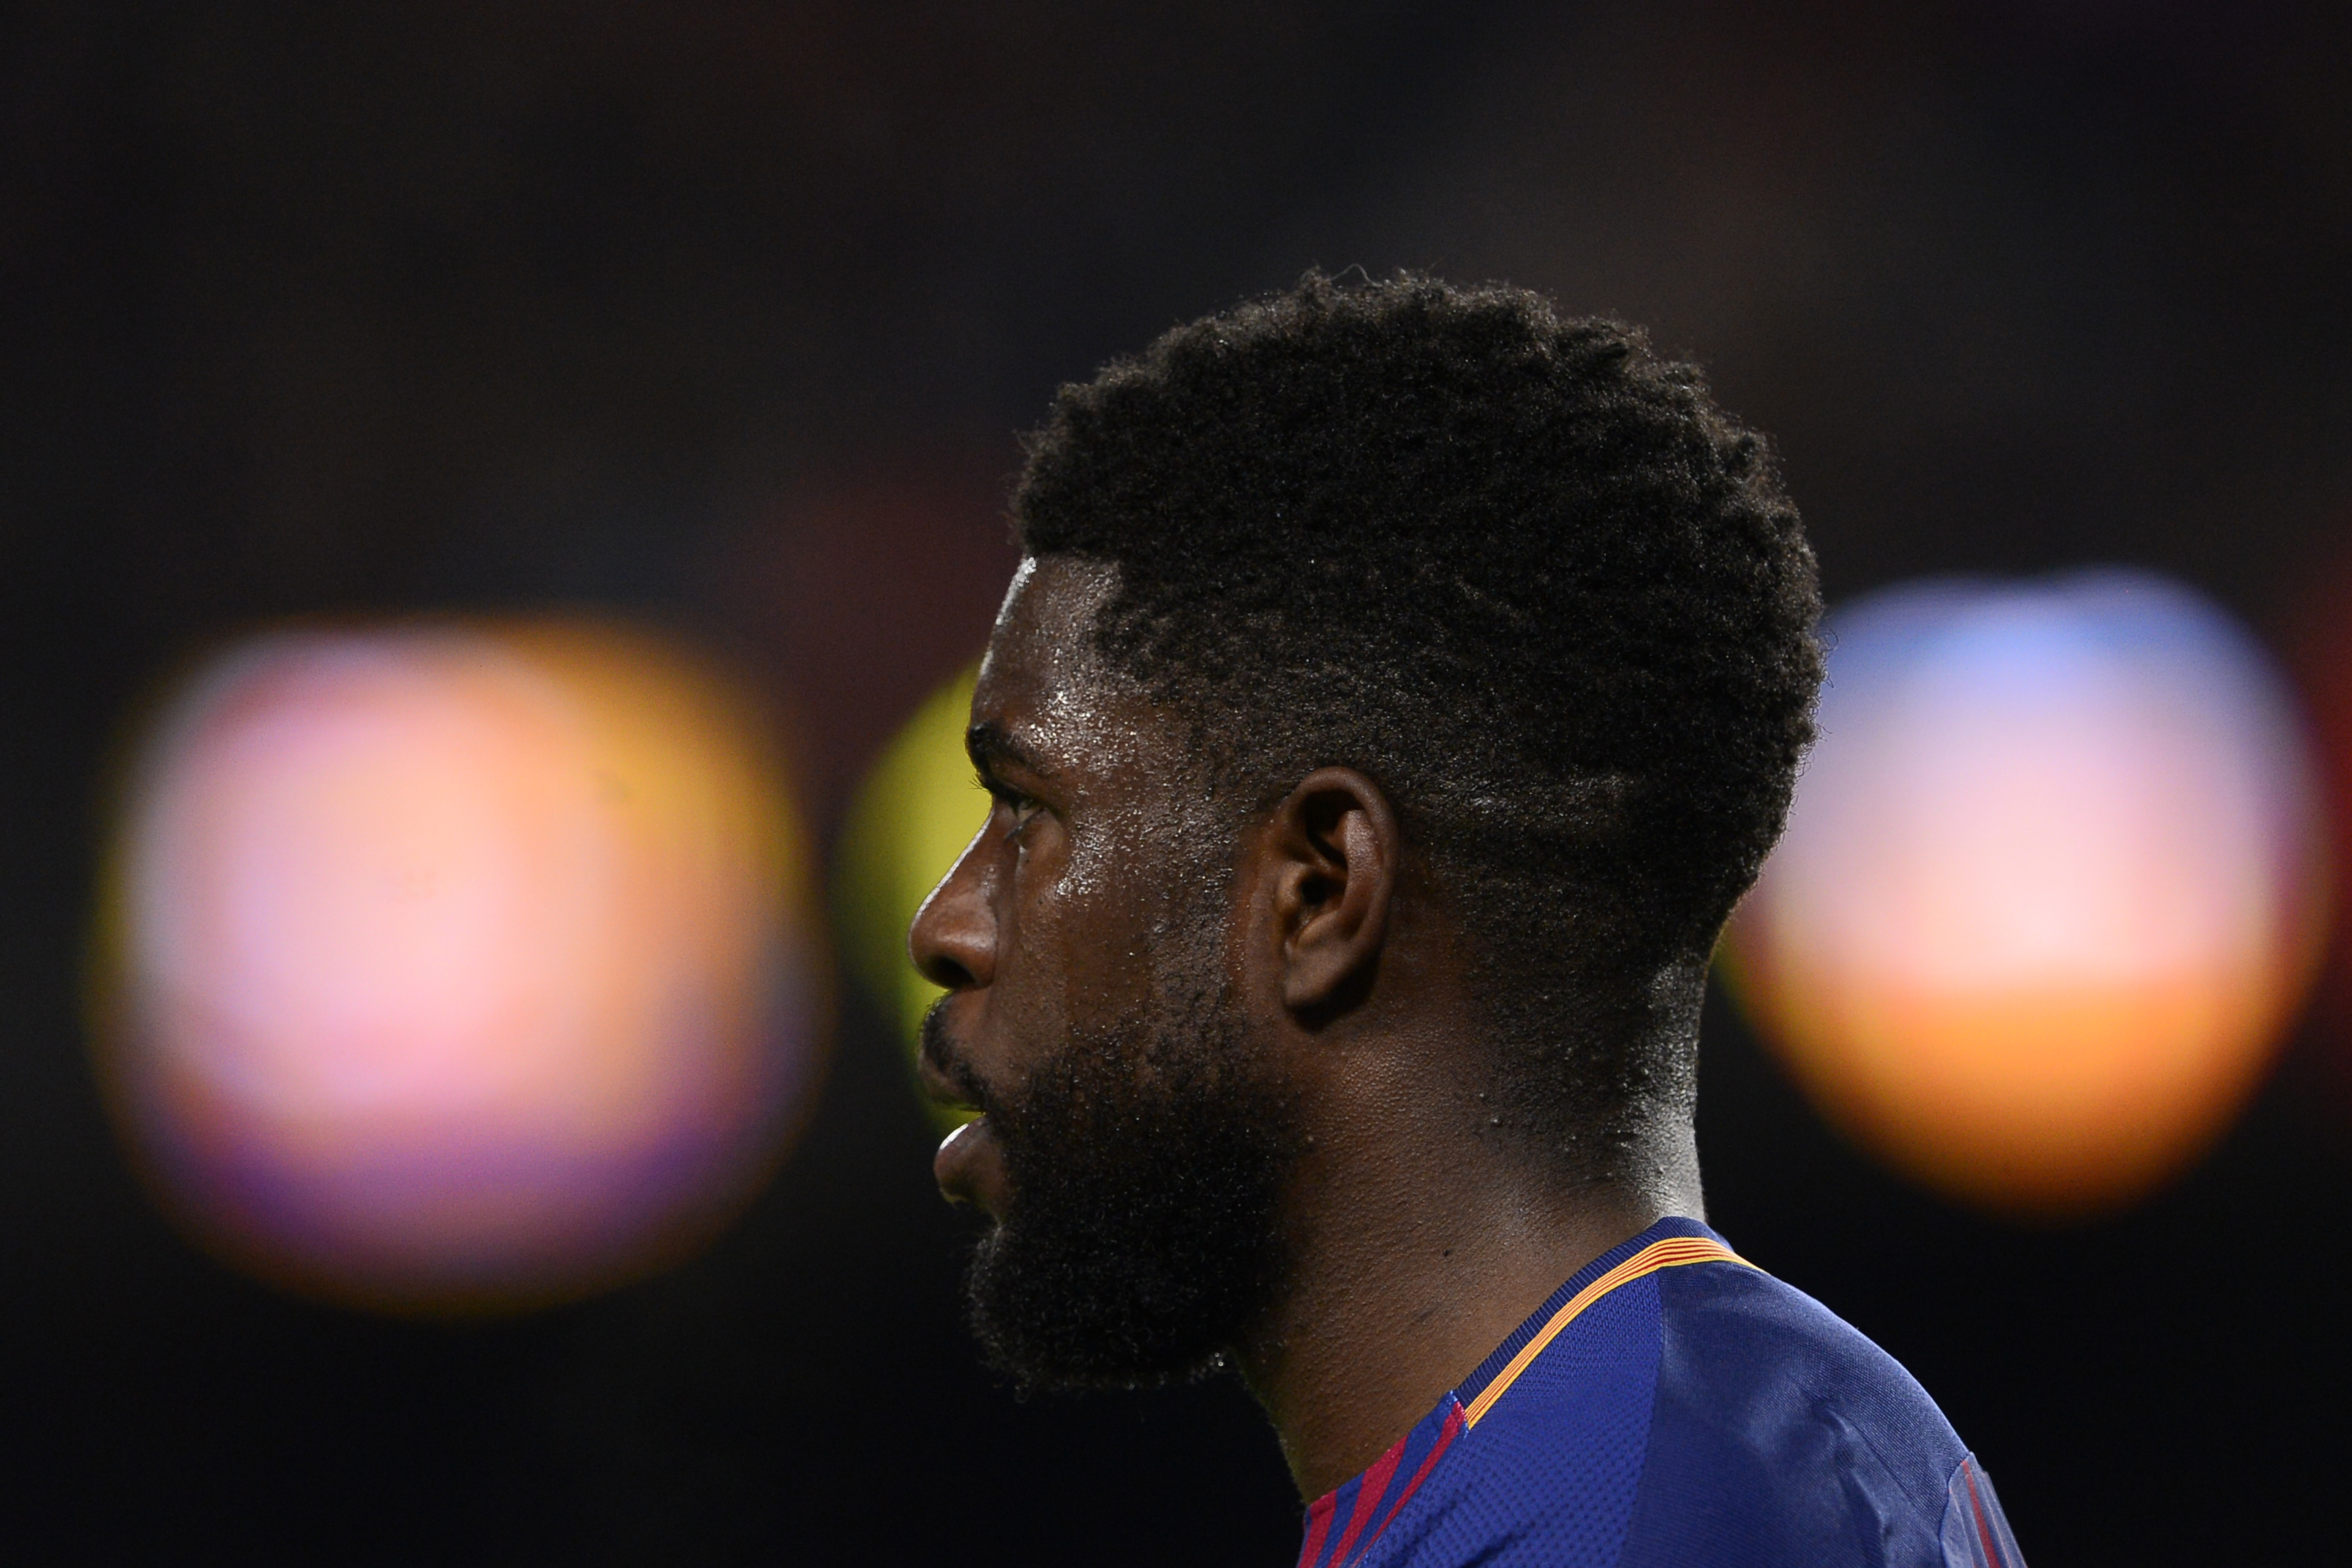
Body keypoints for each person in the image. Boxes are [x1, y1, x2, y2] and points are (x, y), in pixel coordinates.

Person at [908, 272, 2026, 1568]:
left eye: (1029, 811)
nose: (951, 923)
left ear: (1321, 891)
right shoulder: (1754, 1436)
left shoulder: (1620, 1524)